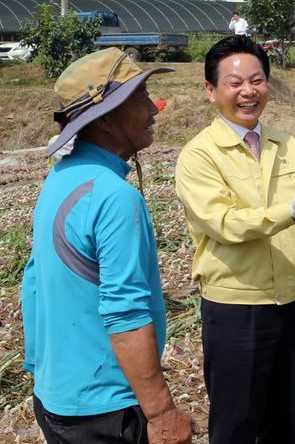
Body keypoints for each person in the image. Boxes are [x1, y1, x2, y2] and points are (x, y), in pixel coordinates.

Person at [22, 48, 198, 443]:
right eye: (140, 100)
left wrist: (43, 370)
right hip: (107, 409)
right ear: (103, 118)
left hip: (57, 398)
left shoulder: (61, 177)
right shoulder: (112, 195)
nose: (155, 109)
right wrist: (162, 412)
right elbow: (125, 311)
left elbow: (34, 280)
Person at [174, 35, 295, 444]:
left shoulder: (287, 145)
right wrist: (289, 212)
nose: (248, 91)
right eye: (234, 83)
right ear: (211, 91)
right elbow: (224, 224)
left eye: (258, 80)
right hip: (236, 307)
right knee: (235, 425)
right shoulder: (199, 155)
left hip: (290, 300)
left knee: (285, 422)